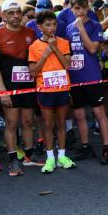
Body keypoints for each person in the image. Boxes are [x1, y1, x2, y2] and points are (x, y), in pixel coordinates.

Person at [0, 0, 40, 176]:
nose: (16, 16)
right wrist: (3, 92)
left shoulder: (31, 33)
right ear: (3, 15)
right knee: (11, 123)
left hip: (28, 84)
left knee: (28, 121)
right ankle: (13, 161)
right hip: (8, 86)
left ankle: (29, 156)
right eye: (11, 13)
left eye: (18, 12)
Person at [66, 0, 108, 165]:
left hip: (92, 76)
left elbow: (93, 49)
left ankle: (107, 148)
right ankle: (86, 147)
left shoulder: (94, 26)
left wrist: (80, 28)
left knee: (99, 112)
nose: (81, 12)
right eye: (77, 8)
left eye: (84, 7)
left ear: (88, 7)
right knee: (79, 114)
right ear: (71, 9)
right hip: (75, 77)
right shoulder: (68, 28)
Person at [28, 10, 75, 174]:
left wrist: (55, 49)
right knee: (48, 124)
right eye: (48, 25)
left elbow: (67, 65)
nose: (52, 28)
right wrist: (46, 54)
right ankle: (50, 158)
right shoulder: (34, 46)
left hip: (62, 88)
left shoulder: (63, 42)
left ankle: (62, 156)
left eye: (54, 24)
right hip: (45, 90)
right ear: (39, 27)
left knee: (61, 123)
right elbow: (33, 72)